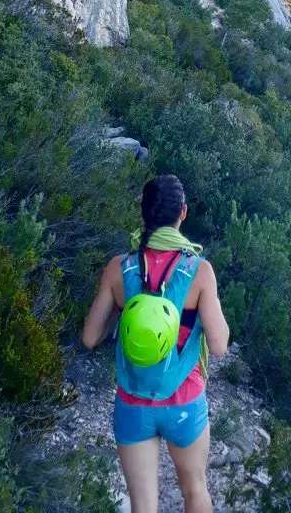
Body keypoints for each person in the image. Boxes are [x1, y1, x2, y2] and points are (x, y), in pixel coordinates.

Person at [82, 174, 230, 513]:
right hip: (184, 401)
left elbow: (90, 338)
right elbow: (220, 346)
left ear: (144, 214)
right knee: (194, 490)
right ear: (183, 213)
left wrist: (116, 324)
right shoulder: (199, 271)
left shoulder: (119, 269)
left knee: (143, 506)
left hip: (132, 404)